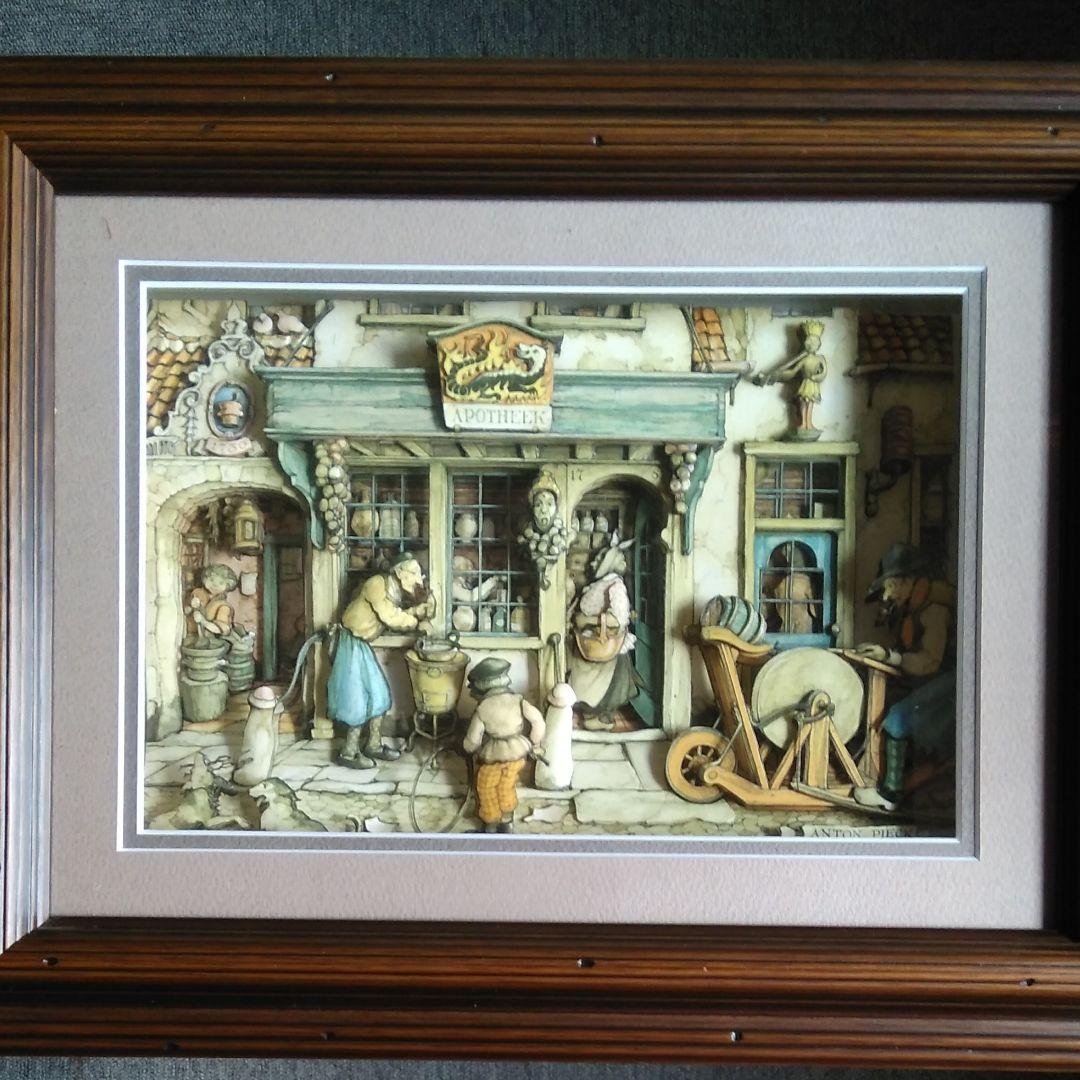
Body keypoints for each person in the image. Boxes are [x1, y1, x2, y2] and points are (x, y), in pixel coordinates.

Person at [852, 543, 956, 810]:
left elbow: (929, 662)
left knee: (897, 719)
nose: (887, 595)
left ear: (908, 581)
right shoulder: (914, 607)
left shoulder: (934, 609)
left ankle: (890, 796)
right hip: (938, 679)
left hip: (954, 684)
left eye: (890, 586)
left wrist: (889, 656)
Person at [328, 552, 435, 769]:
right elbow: (389, 616)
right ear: (400, 572)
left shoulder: (394, 588)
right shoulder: (376, 584)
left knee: (379, 696)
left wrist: (416, 611)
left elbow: (394, 611)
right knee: (357, 701)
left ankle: (374, 745)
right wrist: (416, 623)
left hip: (362, 645)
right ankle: (348, 752)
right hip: (350, 644)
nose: (418, 577)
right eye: (414, 572)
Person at [461, 658, 546, 833]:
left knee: (486, 787)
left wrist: (468, 748)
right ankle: (507, 821)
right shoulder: (519, 700)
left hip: (494, 756)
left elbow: (473, 739)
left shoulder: (482, 708)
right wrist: (535, 743)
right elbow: (538, 721)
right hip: (518, 753)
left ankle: (491, 824)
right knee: (506, 786)